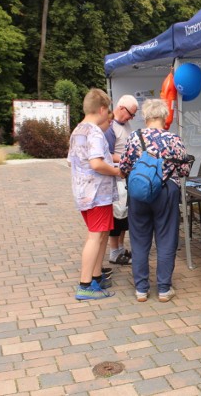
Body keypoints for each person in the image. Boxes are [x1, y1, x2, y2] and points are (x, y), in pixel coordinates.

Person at [119, 99, 192, 303]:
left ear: (145, 116)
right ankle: (163, 289)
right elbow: (185, 170)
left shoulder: (134, 137)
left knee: (140, 241)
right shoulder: (174, 139)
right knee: (166, 239)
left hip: (139, 192)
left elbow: (123, 168)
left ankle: (141, 289)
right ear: (165, 116)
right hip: (166, 191)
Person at [67, 88, 122, 300]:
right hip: (97, 193)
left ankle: (97, 277)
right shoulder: (95, 132)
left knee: (101, 234)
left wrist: (116, 159)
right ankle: (85, 285)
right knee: (95, 237)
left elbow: (75, 161)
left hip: (83, 193)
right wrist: (117, 171)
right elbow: (97, 163)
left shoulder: (78, 131)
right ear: (101, 109)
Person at [104, 94, 138, 266]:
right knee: (117, 216)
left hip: (125, 176)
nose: (132, 118)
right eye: (131, 114)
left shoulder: (126, 124)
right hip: (116, 177)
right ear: (121, 108)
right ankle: (114, 252)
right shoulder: (110, 128)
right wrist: (126, 158)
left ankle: (120, 249)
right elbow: (107, 154)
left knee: (123, 216)